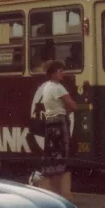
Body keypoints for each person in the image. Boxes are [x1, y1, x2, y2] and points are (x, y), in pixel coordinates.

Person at [35, 61, 77, 195]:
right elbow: (73, 106)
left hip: (50, 122)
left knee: (52, 157)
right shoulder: (59, 88)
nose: (62, 73)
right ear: (53, 73)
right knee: (61, 156)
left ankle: (52, 191)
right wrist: (68, 110)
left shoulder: (46, 87)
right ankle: (60, 192)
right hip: (60, 121)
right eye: (60, 70)